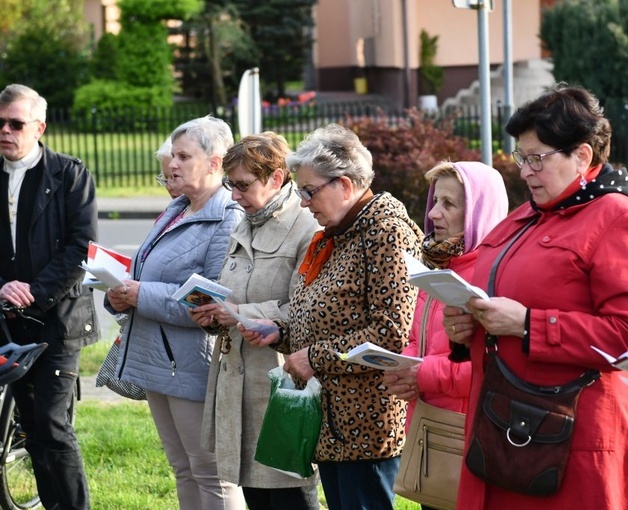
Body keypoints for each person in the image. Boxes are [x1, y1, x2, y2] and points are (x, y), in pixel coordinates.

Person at [442, 84, 628, 509]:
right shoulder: (525, 216)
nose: (524, 171)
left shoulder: (618, 218)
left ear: (581, 156)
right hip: (506, 428)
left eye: (537, 158)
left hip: (570, 439)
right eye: (521, 158)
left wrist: (527, 324)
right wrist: (464, 327)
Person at [240, 123, 424, 510]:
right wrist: (282, 332)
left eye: (309, 191)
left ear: (344, 184)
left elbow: (392, 333)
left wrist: (313, 357)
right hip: (334, 420)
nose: (304, 203)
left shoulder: (386, 232)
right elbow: (329, 316)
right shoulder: (341, 232)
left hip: (367, 423)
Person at [105, 115, 245, 509]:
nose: (172, 165)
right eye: (172, 156)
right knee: (182, 469)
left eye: (184, 156)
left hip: (192, 364)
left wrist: (139, 293)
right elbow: (143, 271)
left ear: (216, 163)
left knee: (212, 474)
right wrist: (118, 294)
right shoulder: (177, 208)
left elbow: (211, 302)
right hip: (158, 359)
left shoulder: (227, 217)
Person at [189, 133, 321, 509]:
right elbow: (232, 290)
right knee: (254, 493)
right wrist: (209, 313)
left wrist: (234, 313)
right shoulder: (246, 221)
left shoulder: (306, 226)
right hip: (236, 380)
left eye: (243, 185)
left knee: (289, 493)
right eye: (230, 184)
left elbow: (305, 308)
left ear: (277, 178)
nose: (233, 195)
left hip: (280, 381)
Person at [0, 83, 98, 509]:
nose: (5, 130)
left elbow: (81, 248)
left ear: (38, 127)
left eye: (15, 123)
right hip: (7, 320)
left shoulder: (70, 174)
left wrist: (33, 293)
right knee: (32, 427)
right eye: (0, 122)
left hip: (58, 320)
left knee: (52, 426)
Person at [383, 161, 508, 431]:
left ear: (479, 213)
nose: (433, 213)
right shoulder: (440, 264)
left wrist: (423, 374)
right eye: (435, 200)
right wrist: (403, 369)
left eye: (448, 204)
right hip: (426, 426)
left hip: (464, 433)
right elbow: (420, 339)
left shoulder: (495, 274)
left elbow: (492, 366)